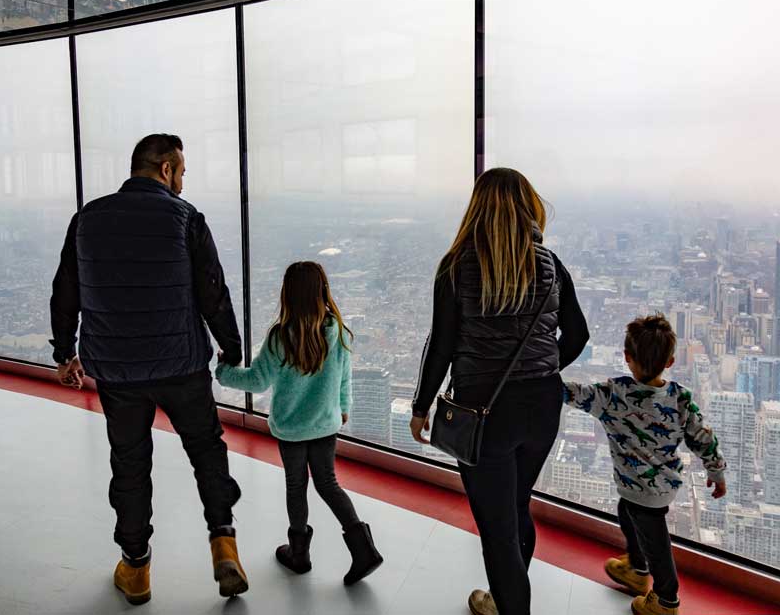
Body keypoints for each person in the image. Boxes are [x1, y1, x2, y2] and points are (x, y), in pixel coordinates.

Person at [49, 134, 250, 606]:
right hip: (182, 364)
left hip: (117, 372)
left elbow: (66, 291)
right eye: (180, 172)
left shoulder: (86, 219)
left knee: (131, 464)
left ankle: (136, 567)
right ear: (164, 169)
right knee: (205, 449)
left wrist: (64, 353)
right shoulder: (185, 218)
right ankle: (224, 543)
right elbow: (212, 289)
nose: (182, 181)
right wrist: (231, 346)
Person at [410, 167, 590, 615]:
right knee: (516, 504)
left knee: (498, 530)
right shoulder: (551, 266)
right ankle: (503, 599)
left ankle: (510, 606)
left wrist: (421, 405)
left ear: (478, 209)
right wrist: (544, 372)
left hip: (483, 410)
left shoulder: (457, 265)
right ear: (529, 206)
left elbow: (442, 346)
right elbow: (578, 335)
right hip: (543, 407)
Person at [216, 261, 384, 585]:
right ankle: (363, 548)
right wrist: (344, 407)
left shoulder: (281, 337)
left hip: (292, 428)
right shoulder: (337, 330)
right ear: (323, 291)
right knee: (328, 483)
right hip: (325, 424)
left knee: (297, 486)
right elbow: (344, 377)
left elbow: (257, 381)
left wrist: (223, 372)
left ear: (288, 294)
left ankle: (299, 555)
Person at [563, 314, 727, 615]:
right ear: (670, 362)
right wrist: (716, 471)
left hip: (643, 488)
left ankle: (667, 600)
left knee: (656, 542)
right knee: (626, 513)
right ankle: (637, 571)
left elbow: (577, 394)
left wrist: (542, 380)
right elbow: (703, 437)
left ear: (627, 358)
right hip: (655, 486)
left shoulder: (615, 394)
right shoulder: (679, 398)